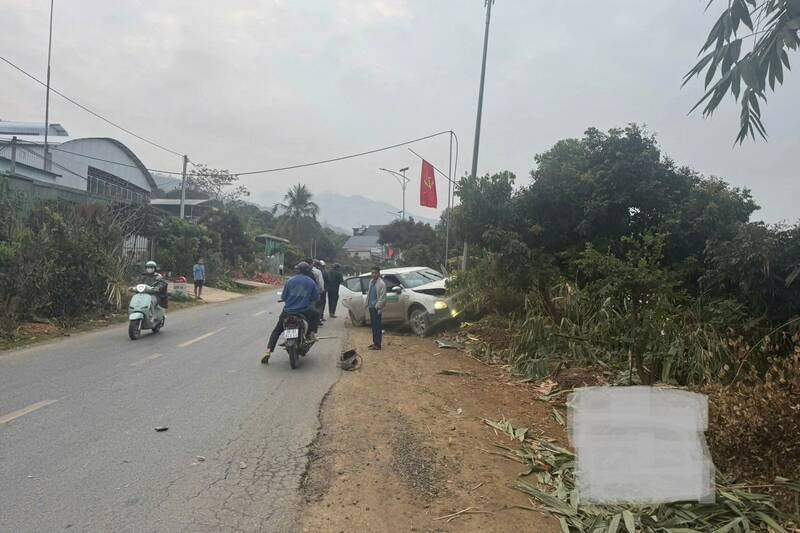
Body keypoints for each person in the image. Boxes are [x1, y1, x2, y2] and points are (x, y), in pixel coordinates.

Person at [262, 262, 320, 364]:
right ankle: (311, 333)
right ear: (308, 271)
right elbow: (316, 297)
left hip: (288, 312)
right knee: (316, 314)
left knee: (277, 330)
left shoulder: (290, 281)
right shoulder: (311, 282)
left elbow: (283, 297)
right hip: (304, 311)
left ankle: (268, 351)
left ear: (297, 270)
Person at [366, 266, 386, 350]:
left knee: (377, 326)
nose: (373, 274)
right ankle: (375, 342)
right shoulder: (371, 281)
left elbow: (382, 297)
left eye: (375, 273)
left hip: (376, 308)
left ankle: (378, 344)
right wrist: (367, 303)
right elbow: (369, 293)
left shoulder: (381, 283)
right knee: (374, 326)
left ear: (378, 273)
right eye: (372, 273)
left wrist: (378, 307)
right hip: (371, 306)